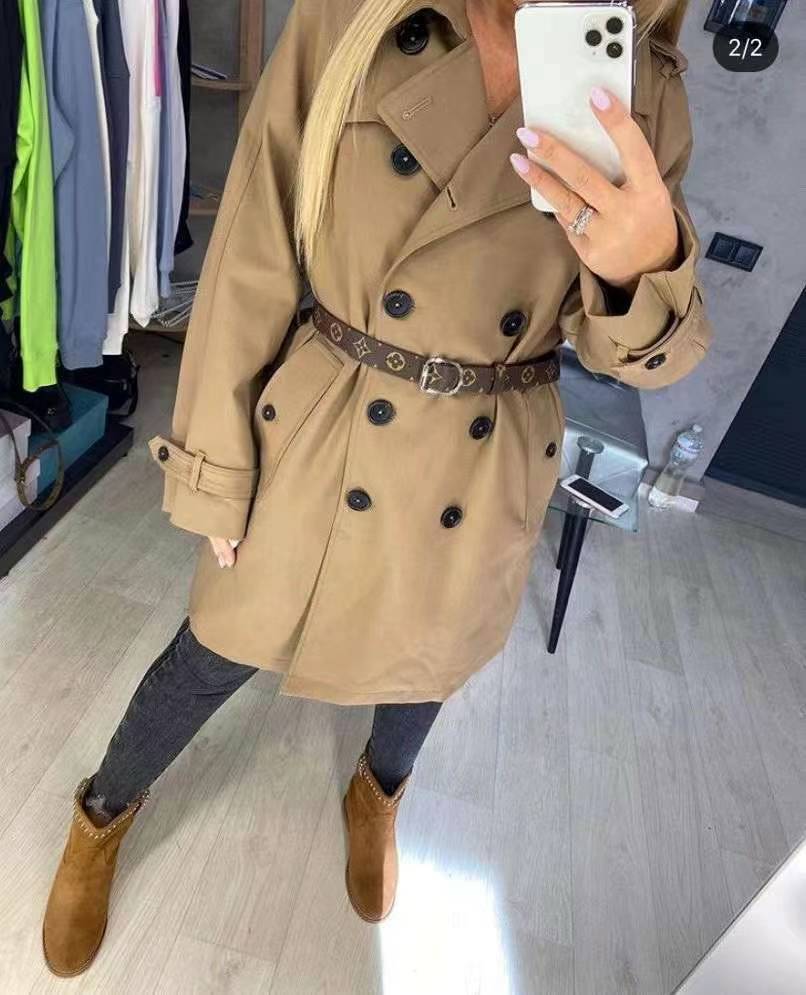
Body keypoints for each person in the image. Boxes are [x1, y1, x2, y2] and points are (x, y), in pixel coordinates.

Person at [41, 0, 711, 976]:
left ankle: (379, 791)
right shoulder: (354, 19)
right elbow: (252, 252)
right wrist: (216, 466)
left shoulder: (642, 89)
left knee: (426, 664)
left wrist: (644, 268)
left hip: (486, 450)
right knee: (214, 646)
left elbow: (641, 358)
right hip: (328, 415)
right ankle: (104, 808)